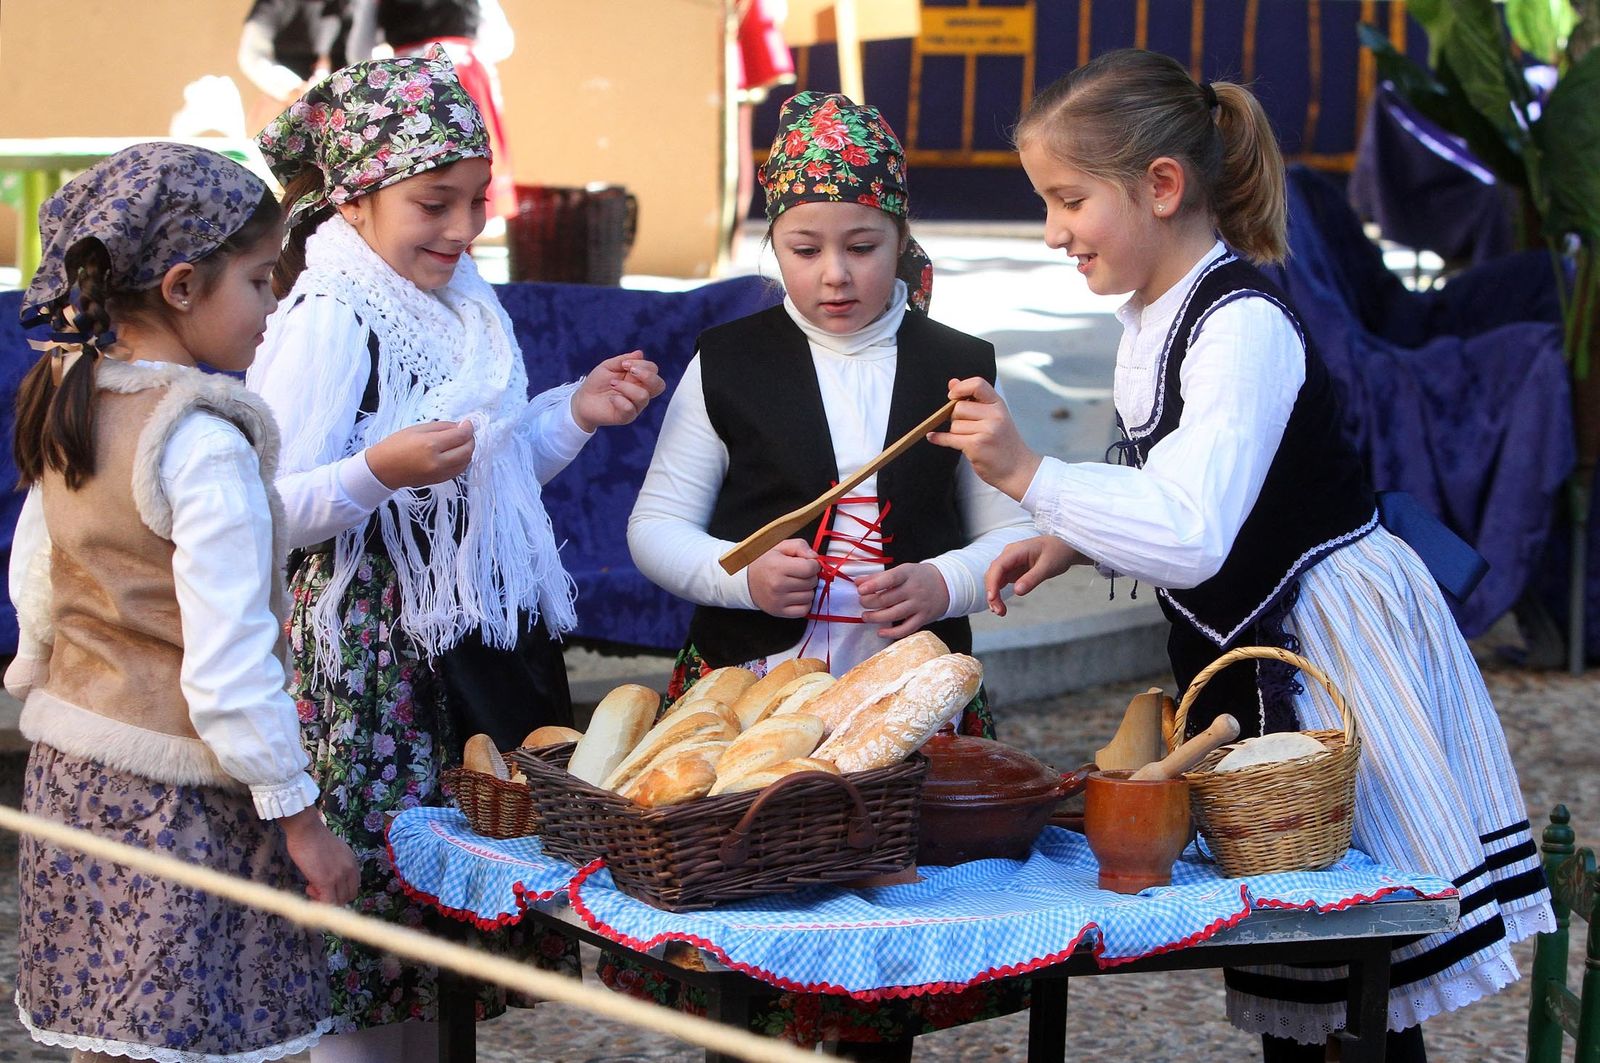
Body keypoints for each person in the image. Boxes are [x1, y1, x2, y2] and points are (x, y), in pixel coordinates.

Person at [929, 48, 1554, 1063]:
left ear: (1161, 186)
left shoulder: (1242, 327)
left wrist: (1032, 475)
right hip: (1259, 647)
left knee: (1360, 960)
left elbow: (1194, 527)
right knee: (1298, 962)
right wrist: (1069, 535)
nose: (1051, 231)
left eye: (1068, 199)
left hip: (1331, 652)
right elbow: (1169, 484)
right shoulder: (1152, 318)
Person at [248, 47, 663, 1061]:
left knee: (441, 949)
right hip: (368, 676)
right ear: (354, 201)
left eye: (477, 200)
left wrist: (570, 413)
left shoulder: (462, 306)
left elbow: (489, 475)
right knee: (368, 941)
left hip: (462, 653)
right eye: (436, 203)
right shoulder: (330, 319)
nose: (465, 228)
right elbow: (259, 508)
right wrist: (374, 472)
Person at [5, 142, 360, 1063]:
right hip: (180, 801)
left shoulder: (73, 390)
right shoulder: (201, 444)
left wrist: (39, 672)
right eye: (257, 278)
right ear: (180, 286)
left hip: (72, 775)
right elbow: (232, 662)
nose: (272, 302)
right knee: (194, 1037)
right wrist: (300, 818)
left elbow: (39, 573)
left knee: (111, 1038)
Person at [629, 89, 1035, 735]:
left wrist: (944, 581)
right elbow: (655, 526)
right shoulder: (727, 360)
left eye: (863, 247)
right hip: (747, 690)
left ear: (901, 237)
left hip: (909, 691)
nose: (835, 275)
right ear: (772, 243)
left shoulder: (958, 369)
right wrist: (743, 579)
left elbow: (1017, 535)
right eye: (805, 249)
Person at [346, 0, 518, 219]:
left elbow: (358, 53)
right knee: (468, 171)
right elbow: (502, 42)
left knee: (424, 175)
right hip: (463, 74)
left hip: (411, 77)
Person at [238, 0, 356, 132]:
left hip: (339, 101)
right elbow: (253, 55)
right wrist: (293, 89)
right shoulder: (276, 4)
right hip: (283, 96)